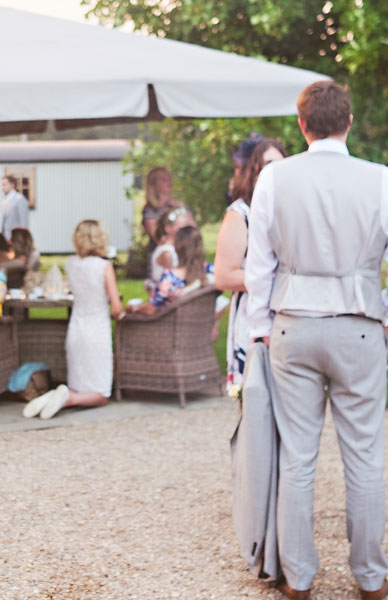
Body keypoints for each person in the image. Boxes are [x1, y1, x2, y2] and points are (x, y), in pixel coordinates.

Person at [245, 80, 388, 600]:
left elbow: (258, 263)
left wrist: (258, 329)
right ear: (349, 121)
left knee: (298, 457)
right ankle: (371, 578)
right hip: (359, 324)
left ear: (302, 125)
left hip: (292, 326)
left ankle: (300, 578)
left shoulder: (275, 178)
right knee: (367, 455)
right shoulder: (381, 180)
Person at [23, 220, 124, 419]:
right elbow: (116, 308)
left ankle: (56, 396)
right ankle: (68, 399)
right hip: (97, 332)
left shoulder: (71, 263)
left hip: (76, 330)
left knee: (79, 385)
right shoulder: (104, 266)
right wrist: (120, 312)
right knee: (102, 393)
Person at [214, 138, 286, 391]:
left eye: (280, 164)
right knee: (256, 401)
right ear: (251, 170)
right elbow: (223, 276)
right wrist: (274, 278)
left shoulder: (290, 209)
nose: (275, 170)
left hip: (289, 316)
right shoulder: (240, 214)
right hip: (253, 313)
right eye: (266, 164)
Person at [129, 226, 210, 315]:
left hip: (172, 325)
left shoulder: (170, 278)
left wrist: (134, 308)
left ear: (178, 247)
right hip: (202, 321)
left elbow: (151, 309)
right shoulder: (209, 271)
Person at [0, 175, 29, 240]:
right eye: (2, 185)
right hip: (6, 237)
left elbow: (24, 221)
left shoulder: (20, 199)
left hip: (16, 238)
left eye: (4, 184)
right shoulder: (5, 200)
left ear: (12, 185)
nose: (2, 187)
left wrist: (23, 238)